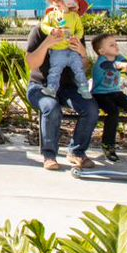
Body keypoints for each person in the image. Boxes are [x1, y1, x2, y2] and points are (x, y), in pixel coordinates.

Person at [25, 12, 96, 170]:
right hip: (40, 86)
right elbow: (31, 64)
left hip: (69, 88)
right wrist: (47, 44)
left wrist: (83, 53)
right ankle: (49, 155)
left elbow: (84, 67)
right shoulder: (39, 30)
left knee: (90, 108)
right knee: (51, 107)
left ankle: (77, 152)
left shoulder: (76, 31)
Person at [89, 33, 127, 163]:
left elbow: (125, 62)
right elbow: (111, 66)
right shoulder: (101, 62)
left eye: (116, 43)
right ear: (102, 51)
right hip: (100, 94)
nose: (116, 46)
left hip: (115, 92)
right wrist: (121, 65)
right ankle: (108, 144)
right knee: (113, 112)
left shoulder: (118, 57)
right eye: (112, 45)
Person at [42, 0, 87, 94]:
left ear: (68, 2)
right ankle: (52, 88)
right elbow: (43, 25)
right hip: (57, 50)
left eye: (59, 0)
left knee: (78, 69)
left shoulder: (74, 16)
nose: (56, 2)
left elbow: (80, 30)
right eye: (54, 0)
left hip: (72, 49)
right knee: (54, 71)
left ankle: (84, 88)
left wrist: (77, 36)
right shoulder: (52, 15)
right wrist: (52, 30)